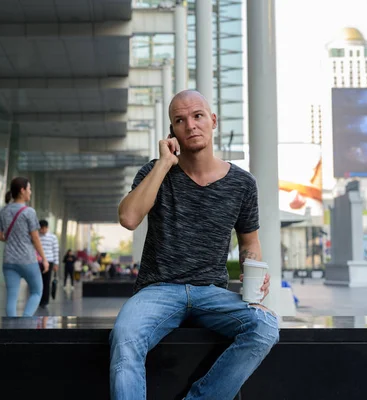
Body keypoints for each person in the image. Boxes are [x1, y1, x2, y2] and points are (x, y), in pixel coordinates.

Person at [110, 90, 279, 400]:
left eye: (197, 116)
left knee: (265, 325)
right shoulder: (153, 172)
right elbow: (129, 218)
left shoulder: (242, 183)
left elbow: (250, 243)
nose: (190, 125)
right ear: (172, 131)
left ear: (213, 120)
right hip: (157, 289)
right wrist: (164, 164)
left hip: (211, 292)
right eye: (180, 120)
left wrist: (254, 278)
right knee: (125, 335)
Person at [0, 177, 49, 317]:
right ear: (22, 190)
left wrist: (12, 239)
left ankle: (11, 329)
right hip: (27, 259)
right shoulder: (29, 212)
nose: (30, 192)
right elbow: (35, 237)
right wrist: (44, 258)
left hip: (9, 261)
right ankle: (24, 322)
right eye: (29, 189)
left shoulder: (4, 211)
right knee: (37, 291)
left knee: (11, 298)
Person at [38, 219, 59, 308]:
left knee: (46, 282)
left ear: (47, 228)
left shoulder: (53, 237)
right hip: (38, 262)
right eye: (40, 229)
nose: (42, 230)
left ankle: (45, 301)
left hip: (49, 261)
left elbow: (55, 250)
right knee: (38, 282)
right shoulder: (36, 237)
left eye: (43, 228)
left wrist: (56, 263)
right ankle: (37, 299)